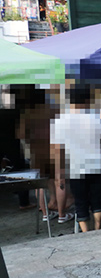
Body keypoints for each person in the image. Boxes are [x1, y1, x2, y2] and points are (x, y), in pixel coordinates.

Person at [51, 82, 101, 232]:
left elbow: (57, 150)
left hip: (75, 167)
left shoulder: (60, 121)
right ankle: (98, 229)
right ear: (88, 99)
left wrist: (59, 173)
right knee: (98, 201)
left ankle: (86, 234)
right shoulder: (96, 118)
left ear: (69, 99)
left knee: (80, 202)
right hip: (96, 166)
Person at [14, 85, 73, 224]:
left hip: (37, 150)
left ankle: (46, 214)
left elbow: (20, 134)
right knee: (60, 182)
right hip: (56, 150)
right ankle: (61, 215)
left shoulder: (26, 114)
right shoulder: (53, 109)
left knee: (40, 184)